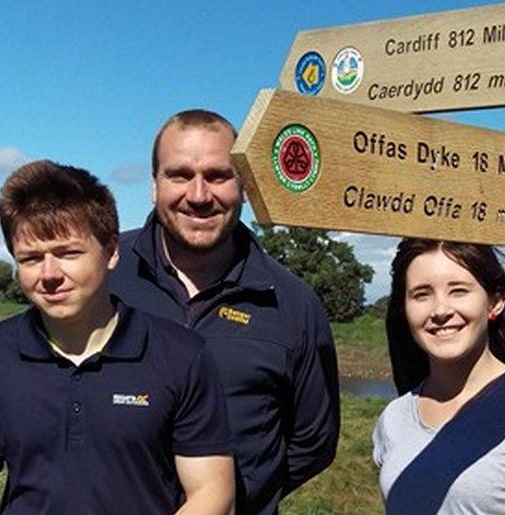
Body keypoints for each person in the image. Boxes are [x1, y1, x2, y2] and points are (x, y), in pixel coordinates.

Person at [108, 109, 340, 514]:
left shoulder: (292, 303)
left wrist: (247, 492)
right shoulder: (105, 275)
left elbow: (313, 442)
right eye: (179, 175)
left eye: (218, 176)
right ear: (154, 185)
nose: (198, 196)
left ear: (245, 186)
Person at [0, 160, 235, 513]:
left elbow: (212, 492)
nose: (49, 274)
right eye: (31, 258)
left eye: (68, 253)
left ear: (111, 252)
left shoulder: (181, 356)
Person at [372, 239, 505, 514]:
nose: (440, 310)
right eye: (421, 294)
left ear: (496, 301)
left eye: (458, 291)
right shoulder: (394, 418)